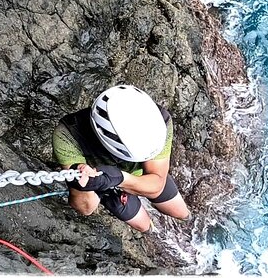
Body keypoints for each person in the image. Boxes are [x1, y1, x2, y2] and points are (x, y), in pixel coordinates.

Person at [52, 85, 191, 233]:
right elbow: (85, 207)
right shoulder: (68, 136)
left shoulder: (159, 120)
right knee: (144, 226)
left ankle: (186, 219)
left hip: (139, 176)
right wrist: (81, 182)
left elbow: (157, 184)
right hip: (103, 186)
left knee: (182, 213)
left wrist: (120, 178)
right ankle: (152, 231)